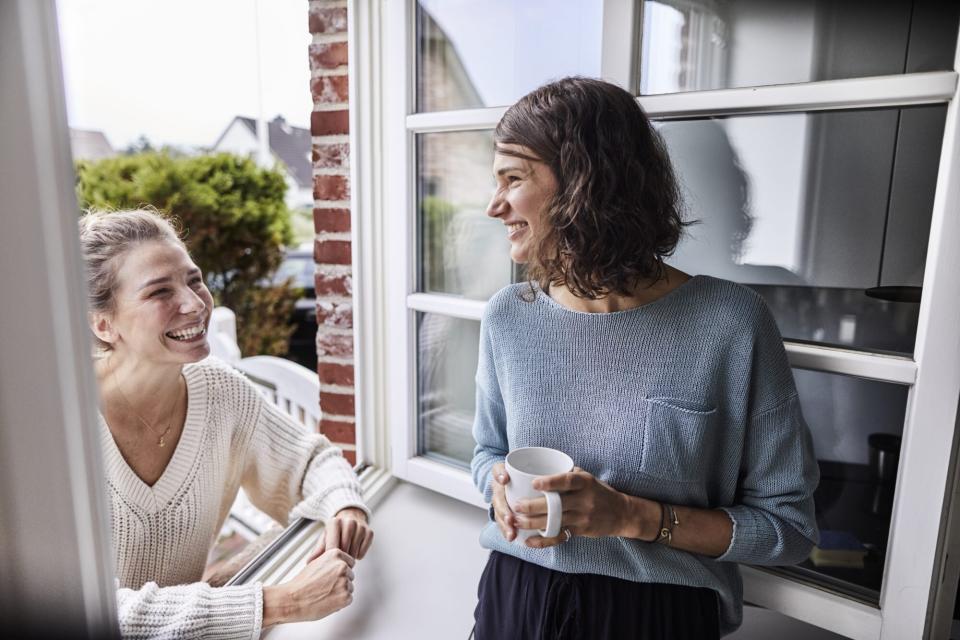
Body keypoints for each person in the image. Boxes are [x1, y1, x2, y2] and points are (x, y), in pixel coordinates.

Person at [470, 77, 819, 639]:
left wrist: (632, 517)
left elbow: (787, 528)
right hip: (516, 596)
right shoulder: (508, 317)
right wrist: (497, 484)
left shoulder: (731, 325)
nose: (494, 205)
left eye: (513, 178)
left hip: (656, 616)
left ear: (585, 182)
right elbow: (487, 450)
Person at [79, 208, 374, 638]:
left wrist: (344, 505)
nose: (195, 303)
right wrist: (282, 602)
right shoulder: (58, 427)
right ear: (102, 324)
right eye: (160, 292)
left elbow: (310, 460)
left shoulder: (219, 390)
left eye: (194, 279)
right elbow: (84, 609)